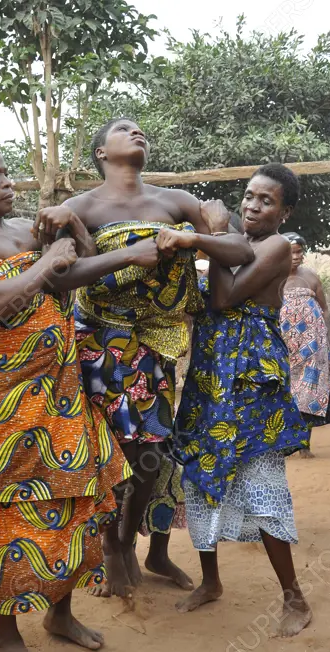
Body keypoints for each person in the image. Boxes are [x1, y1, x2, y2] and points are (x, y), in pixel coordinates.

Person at [0, 132, 150, 652]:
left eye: (7, 173)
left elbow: (73, 274)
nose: (7, 183)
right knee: (14, 510)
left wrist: (76, 233)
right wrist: (49, 256)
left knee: (76, 494)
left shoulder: (21, 231)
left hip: (58, 387)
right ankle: (6, 633)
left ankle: (61, 614)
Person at [63, 117, 255, 599]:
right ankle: (110, 545)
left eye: (140, 128)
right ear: (101, 153)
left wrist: (201, 233)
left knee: (150, 452)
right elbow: (62, 274)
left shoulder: (173, 202)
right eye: (122, 129)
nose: (136, 132)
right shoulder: (79, 207)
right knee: (106, 448)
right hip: (97, 343)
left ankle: (129, 538)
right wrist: (129, 255)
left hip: (157, 345)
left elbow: (236, 250)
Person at [172, 164, 313, 636]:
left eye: (266, 201)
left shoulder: (274, 246)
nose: (252, 206)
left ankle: (294, 597)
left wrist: (211, 234)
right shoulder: (230, 244)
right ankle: (211, 582)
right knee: (201, 472)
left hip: (253, 378)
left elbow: (226, 296)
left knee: (262, 482)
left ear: (284, 210)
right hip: (210, 372)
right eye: (248, 197)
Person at [280, 232, 330, 457]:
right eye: (291, 252)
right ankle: (282, 443)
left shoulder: (311, 277)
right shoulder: (271, 277)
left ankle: (304, 445)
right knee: (284, 391)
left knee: (309, 393)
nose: (296, 256)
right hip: (283, 345)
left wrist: (328, 338)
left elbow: (325, 308)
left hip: (312, 345)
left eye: (299, 251)